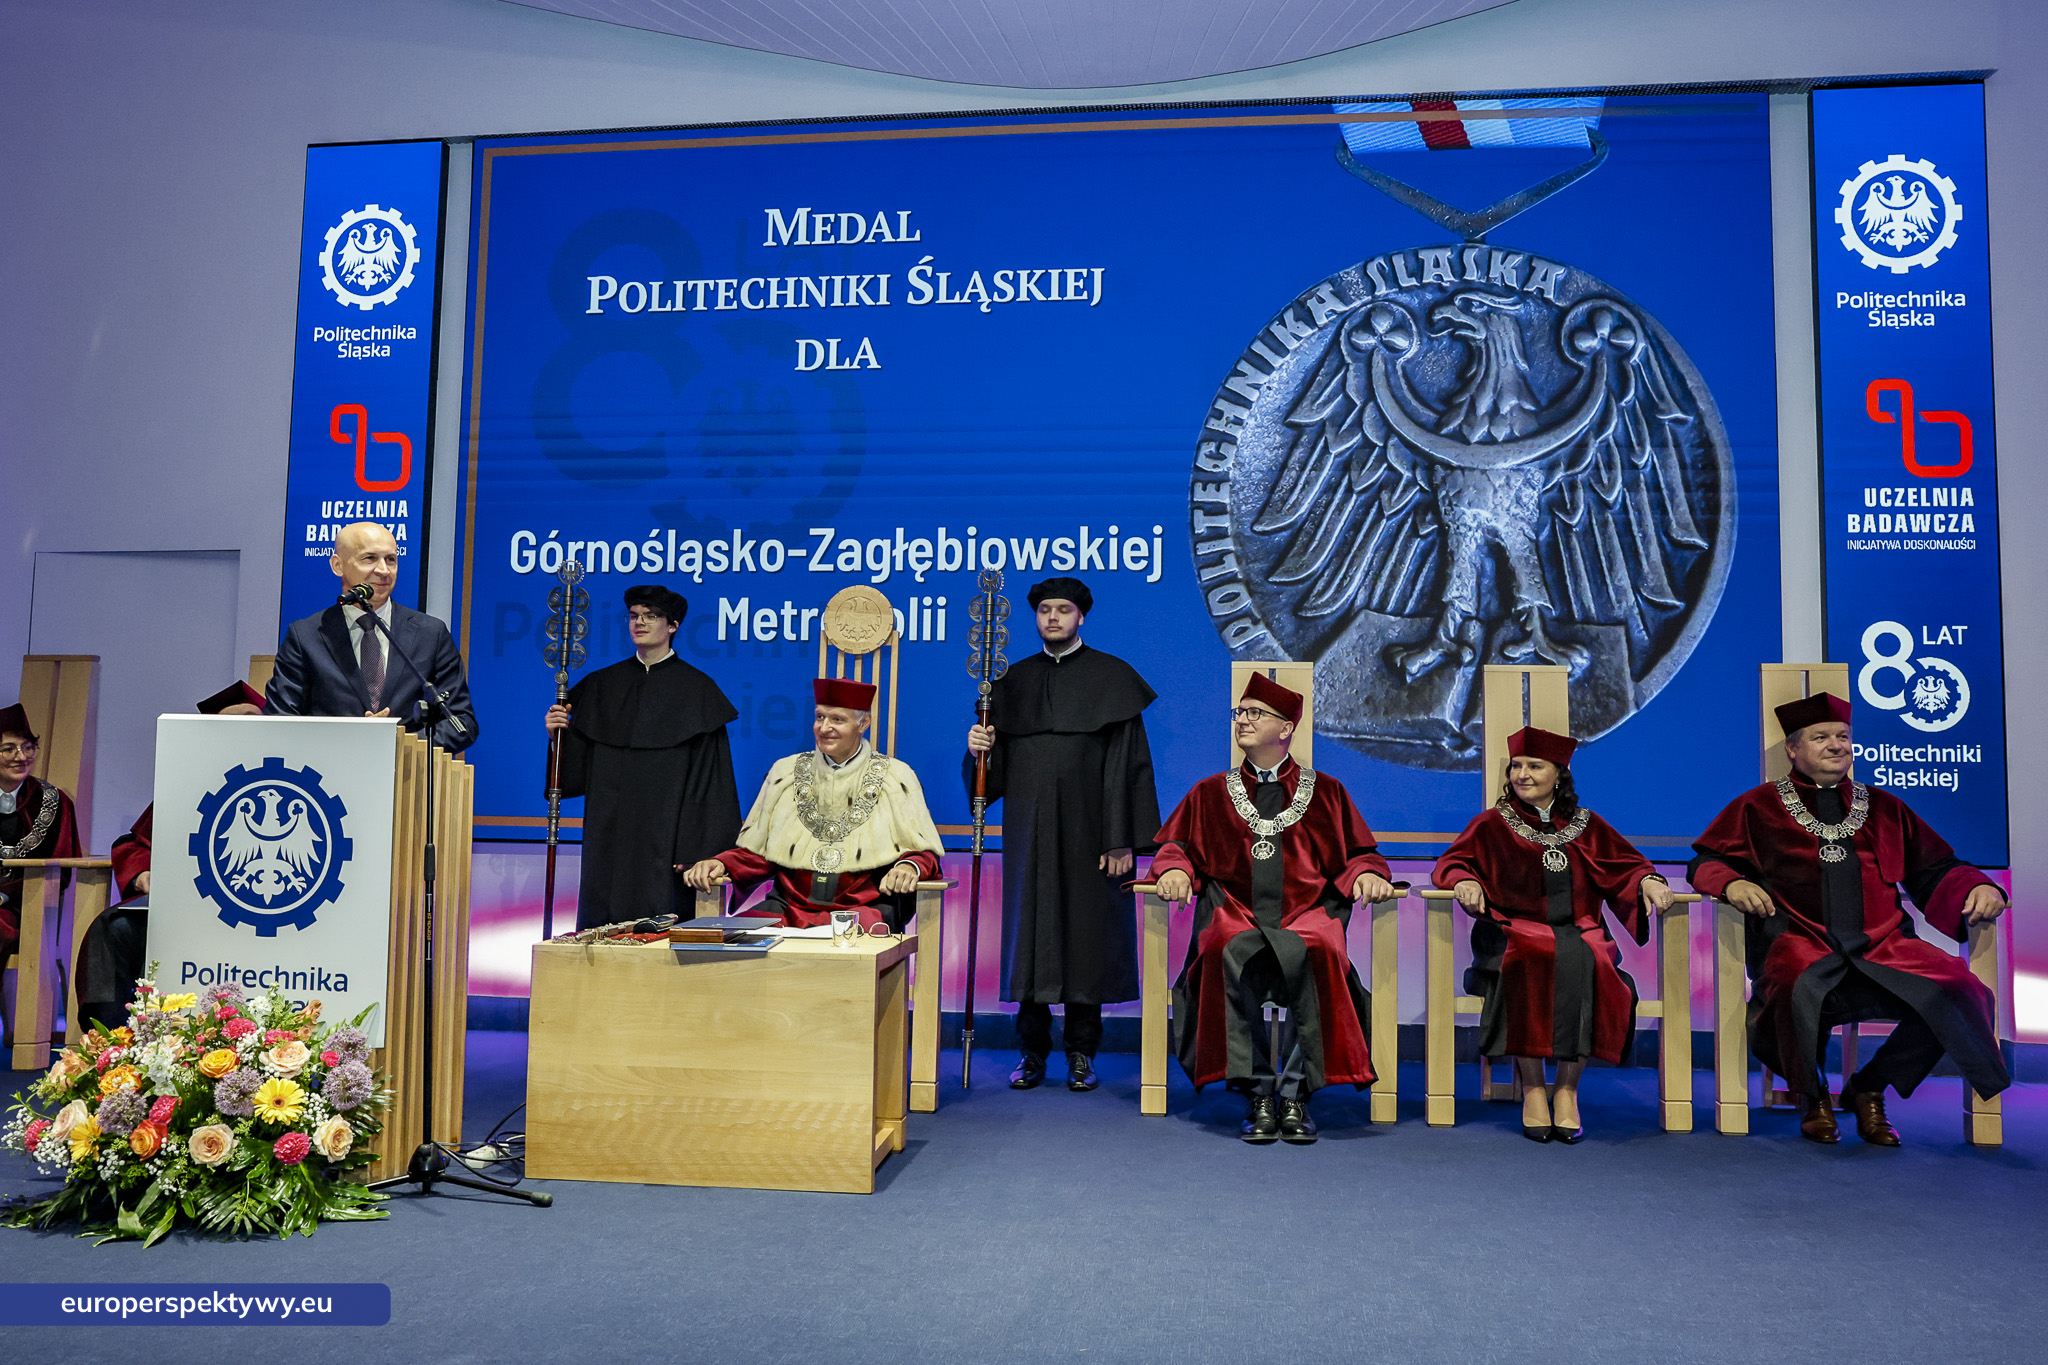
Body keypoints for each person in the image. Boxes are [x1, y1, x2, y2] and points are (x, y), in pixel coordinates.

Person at [1689, 692, 2009, 1145]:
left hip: (1884, 945)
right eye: (1821, 737)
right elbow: (1706, 862)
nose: (1837, 745)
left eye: (1843, 736)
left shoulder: (1884, 807)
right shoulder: (1757, 807)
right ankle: (1813, 1094)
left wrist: (1978, 886)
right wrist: (1731, 884)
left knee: (1960, 989)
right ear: (1793, 750)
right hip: (1800, 940)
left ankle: (1868, 1087)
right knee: (1792, 985)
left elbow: (1937, 869)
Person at [1149, 674, 1393, 1144]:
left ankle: (1297, 1093)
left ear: (1286, 729)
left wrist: (1366, 874)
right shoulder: (1209, 792)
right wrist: (1173, 869)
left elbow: (1360, 852)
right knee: (1224, 948)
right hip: (1235, 910)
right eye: (1239, 713)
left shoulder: (1327, 792)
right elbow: (1175, 845)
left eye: (1255, 714)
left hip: (1304, 912)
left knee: (1321, 948)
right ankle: (1259, 1091)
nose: (1242, 721)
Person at [964, 575, 1160, 1093]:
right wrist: (979, 747)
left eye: (1063, 610)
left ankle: (1081, 1053)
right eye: (1045, 610)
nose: (1053, 618)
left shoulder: (1112, 678)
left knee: (1085, 940)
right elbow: (991, 778)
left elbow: (1128, 767)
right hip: (1029, 832)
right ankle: (1030, 1054)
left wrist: (1121, 839)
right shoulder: (1008, 683)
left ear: (1081, 618)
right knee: (1031, 937)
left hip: (1092, 835)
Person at [1434, 726, 1674, 1143]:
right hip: (1512, 932)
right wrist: (1463, 880)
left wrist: (1648, 880)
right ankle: (1532, 1087)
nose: (1522, 774)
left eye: (1534, 766)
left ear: (1559, 774)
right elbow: (1455, 862)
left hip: (1579, 931)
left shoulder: (1587, 824)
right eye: (1516, 766)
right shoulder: (1492, 823)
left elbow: (1626, 865)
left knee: (1592, 959)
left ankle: (1566, 1088)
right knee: (1533, 955)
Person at [543, 585, 741, 929]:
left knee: (661, 929)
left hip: (666, 843)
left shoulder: (698, 691)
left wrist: (696, 851)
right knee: (600, 926)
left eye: (651, 616)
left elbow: (711, 783)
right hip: (607, 838)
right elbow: (576, 770)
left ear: (673, 625)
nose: (640, 623)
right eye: (634, 616)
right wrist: (557, 738)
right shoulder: (601, 686)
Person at [74, 682, 264, 1029]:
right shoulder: (190, 785)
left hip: (261, 918)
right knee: (111, 929)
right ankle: (110, 1043)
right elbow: (132, 844)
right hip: (187, 910)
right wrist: (142, 873)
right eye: (229, 729)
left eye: (252, 725)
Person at [683, 678, 943, 929]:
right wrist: (723, 863)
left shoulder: (896, 776)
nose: (824, 727)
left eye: (837, 719)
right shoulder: (785, 772)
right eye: (820, 717)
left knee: (864, 939)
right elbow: (760, 852)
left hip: (864, 907)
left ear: (864, 723)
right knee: (731, 940)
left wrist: (910, 867)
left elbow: (923, 851)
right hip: (788, 907)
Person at [266, 521, 478, 752]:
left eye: (391, 559)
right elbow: (280, 719)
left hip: (408, 778)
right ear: (338, 566)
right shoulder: (305, 636)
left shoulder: (430, 634)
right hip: (329, 778)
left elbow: (461, 722)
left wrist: (396, 746)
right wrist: (355, 741)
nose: (384, 570)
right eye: (369, 559)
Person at [0, 702, 84, 1041]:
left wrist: (8, 893)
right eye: (9, 748)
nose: (21, 756)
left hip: (26, 907)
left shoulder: (54, 801)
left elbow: (60, 868)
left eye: (28, 747)